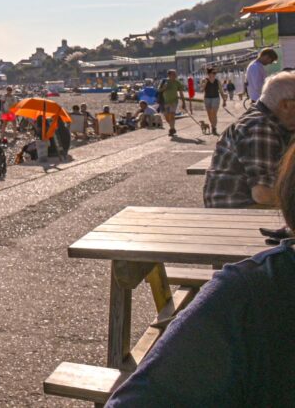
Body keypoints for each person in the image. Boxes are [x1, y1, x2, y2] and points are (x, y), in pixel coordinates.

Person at [107, 143, 295, 406]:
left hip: (229, 226)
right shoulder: (247, 297)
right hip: (234, 216)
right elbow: (261, 193)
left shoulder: (249, 297)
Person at [204, 71, 295, 208]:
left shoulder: (269, 120)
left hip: (239, 208)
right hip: (235, 213)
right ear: (285, 105)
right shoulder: (259, 127)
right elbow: (263, 194)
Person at [200, 67, 227, 136]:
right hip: (207, 98)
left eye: (215, 73)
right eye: (213, 73)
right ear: (209, 73)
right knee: (209, 114)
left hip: (216, 98)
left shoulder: (217, 81)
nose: (215, 74)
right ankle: (212, 125)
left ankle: (214, 128)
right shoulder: (204, 80)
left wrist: (224, 100)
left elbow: (221, 91)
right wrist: (205, 83)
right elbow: (201, 90)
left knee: (213, 112)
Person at [158, 70, 186, 136]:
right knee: (167, 117)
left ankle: (172, 129)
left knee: (172, 115)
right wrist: (164, 88)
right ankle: (172, 128)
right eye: (173, 74)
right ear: (169, 75)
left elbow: (181, 93)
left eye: (175, 74)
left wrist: (183, 102)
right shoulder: (164, 81)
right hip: (165, 102)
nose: (175, 75)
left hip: (174, 101)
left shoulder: (177, 82)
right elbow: (159, 90)